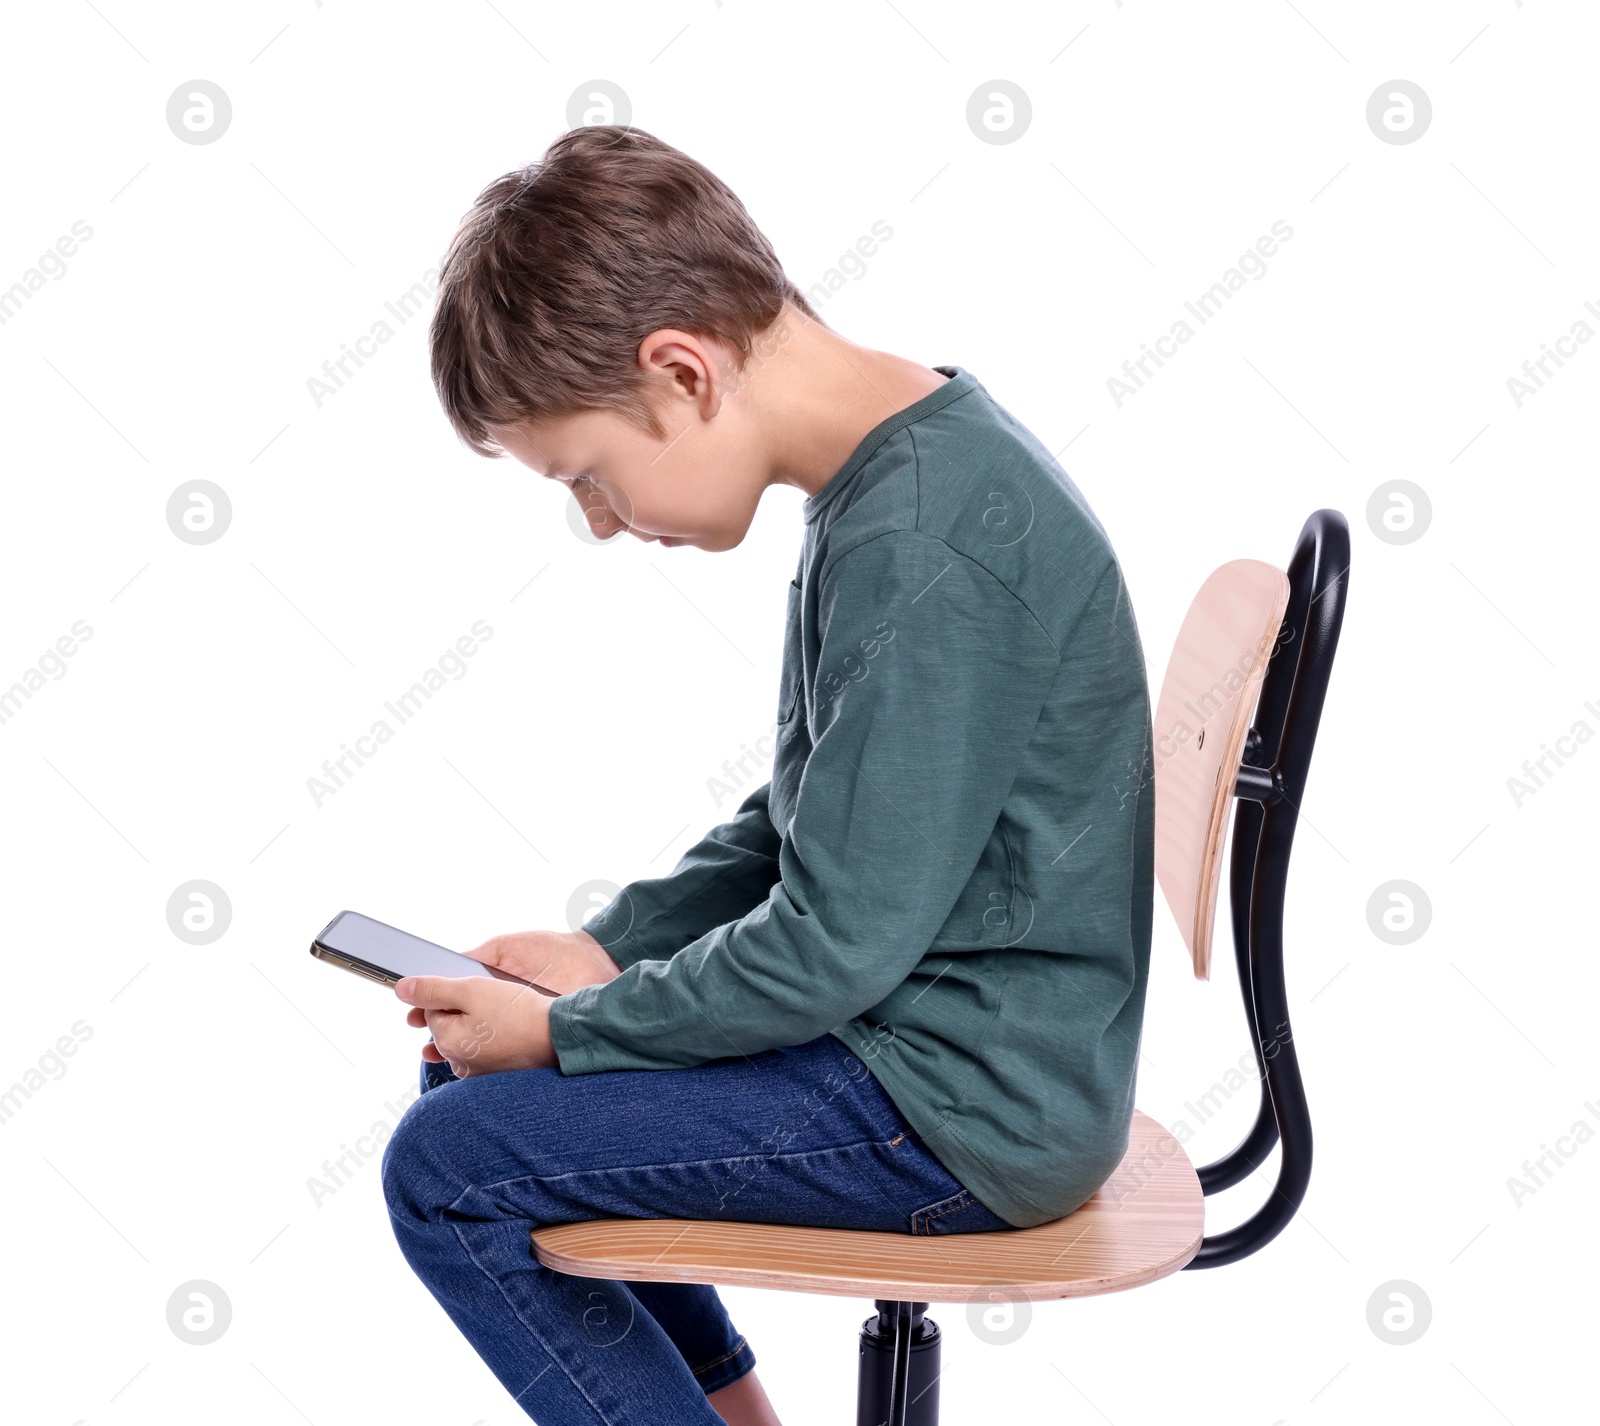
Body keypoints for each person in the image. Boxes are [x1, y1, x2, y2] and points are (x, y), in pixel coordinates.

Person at [380, 124, 1154, 1426]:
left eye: (591, 479)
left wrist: (579, 1027)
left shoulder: (922, 545)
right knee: (475, 1079)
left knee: (449, 1169)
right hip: (950, 1057)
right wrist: (612, 950)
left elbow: (832, 943)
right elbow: (804, 820)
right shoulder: (893, 475)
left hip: (963, 1104)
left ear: (681, 372)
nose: (603, 523)